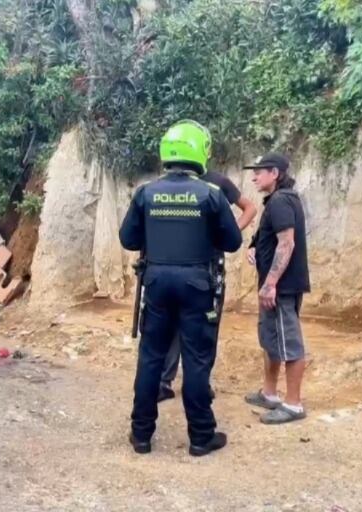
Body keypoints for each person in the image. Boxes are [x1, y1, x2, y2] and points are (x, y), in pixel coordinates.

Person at [119, 120, 242, 456]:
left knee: (150, 358)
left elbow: (128, 238)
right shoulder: (211, 195)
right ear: (200, 152)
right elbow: (232, 242)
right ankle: (201, 437)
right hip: (197, 285)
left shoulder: (146, 193)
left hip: (156, 283)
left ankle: (141, 435)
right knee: (197, 360)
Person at [157, 168, 257, 402]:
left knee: (207, 323)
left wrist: (228, 233)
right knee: (170, 322)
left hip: (209, 265)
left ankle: (200, 383)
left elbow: (249, 208)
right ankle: (163, 380)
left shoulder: (217, 181)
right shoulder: (169, 182)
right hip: (176, 261)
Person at [242, 153, 311, 424]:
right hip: (274, 287)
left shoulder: (282, 201)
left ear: (275, 173)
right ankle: (269, 394)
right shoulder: (276, 201)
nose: (254, 176)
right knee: (271, 340)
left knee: (289, 344)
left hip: (280, 288)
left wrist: (270, 284)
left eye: (259, 171)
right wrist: (254, 248)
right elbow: (269, 238)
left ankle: (293, 405)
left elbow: (287, 244)